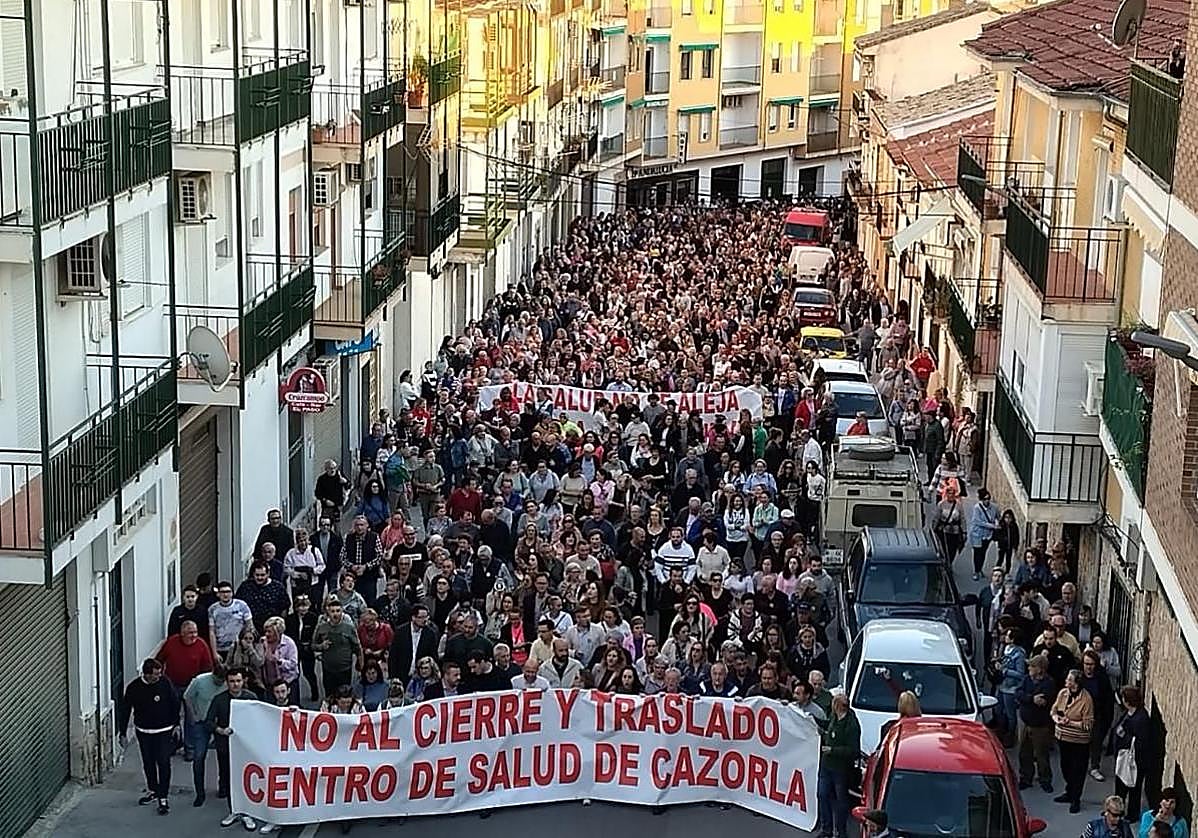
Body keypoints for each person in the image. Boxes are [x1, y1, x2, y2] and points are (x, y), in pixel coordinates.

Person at [119, 659, 180, 815]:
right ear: (146, 674)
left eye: (159, 674)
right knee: (148, 762)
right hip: (144, 731)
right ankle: (153, 790)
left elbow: (174, 702)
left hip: (164, 730)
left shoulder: (165, 683)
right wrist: (123, 732)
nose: (158, 677)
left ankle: (164, 796)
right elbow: (125, 710)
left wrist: (176, 724)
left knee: (164, 762)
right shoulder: (134, 688)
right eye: (155, 675)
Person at [207, 669, 260, 829]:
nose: (235, 684)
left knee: (247, 779)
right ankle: (234, 810)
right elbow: (209, 721)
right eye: (232, 681)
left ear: (243, 681)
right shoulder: (219, 700)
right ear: (227, 682)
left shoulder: (251, 698)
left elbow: (261, 719)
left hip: (247, 747)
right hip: (226, 747)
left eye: (238, 681)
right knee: (228, 777)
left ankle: (248, 812)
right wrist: (221, 730)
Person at [182, 661, 226, 807]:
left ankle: (223, 787)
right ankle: (200, 793)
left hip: (219, 723)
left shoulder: (227, 683)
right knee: (199, 756)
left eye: (221, 681)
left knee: (223, 757)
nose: (219, 683)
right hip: (201, 723)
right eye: (217, 680)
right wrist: (193, 715)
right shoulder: (200, 681)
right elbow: (187, 696)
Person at [817, 693, 860, 838]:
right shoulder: (834, 717)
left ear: (839, 706)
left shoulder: (851, 725)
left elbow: (853, 750)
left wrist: (833, 750)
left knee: (841, 801)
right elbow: (827, 724)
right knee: (822, 795)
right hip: (826, 765)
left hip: (840, 769)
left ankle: (841, 832)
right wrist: (811, 719)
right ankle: (826, 830)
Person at [1053, 668, 1095, 814]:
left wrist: (1069, 722)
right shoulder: (1062, 693)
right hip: (1063, 738)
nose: (1066, 681)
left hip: (1079, 741)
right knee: (1065, 767)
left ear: (1076, 683)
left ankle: (1075, 798)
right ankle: (1069, 791)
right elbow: (1053, 710)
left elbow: (1088, 724)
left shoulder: (1086, 699)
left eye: (1069, 680)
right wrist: (1057, 719)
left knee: (1078, 770)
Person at [1108, 685, 1151, 817]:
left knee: (1133, 788)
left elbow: (1141, 742)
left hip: (1134, 761)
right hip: (1123, 757)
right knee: (1120, 786)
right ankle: (1117, 811)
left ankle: (1132, 814)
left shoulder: (1141, 719)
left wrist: (1123, 736)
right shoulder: (1129, 713)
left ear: (1128, 701)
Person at [1017, 654, 1056, 793]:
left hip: (1041, 726)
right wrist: (1031, 698)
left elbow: (1044, 701)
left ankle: (1045, 779)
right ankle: (1025, 778)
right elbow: (1019, 693)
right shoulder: (1027, 679)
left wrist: (1030, 699)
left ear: (1040, 669)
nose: (1029, 668)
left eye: (1032, 666)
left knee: (1041, 755)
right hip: (1026, 723)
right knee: (1024, 753)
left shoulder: (1048, 683)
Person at [313, 597, 362, 696]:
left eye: (338, 611)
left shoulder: (349, 628)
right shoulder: (322, 627)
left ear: (342, 612)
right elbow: (313, 645)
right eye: (333, 611)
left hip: (345, 669)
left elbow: (357, 647)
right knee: (330, 695)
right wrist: (321, 646)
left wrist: (360, 662)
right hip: (328, 669)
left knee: (344, 696)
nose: (335, 614)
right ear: (328, 612)